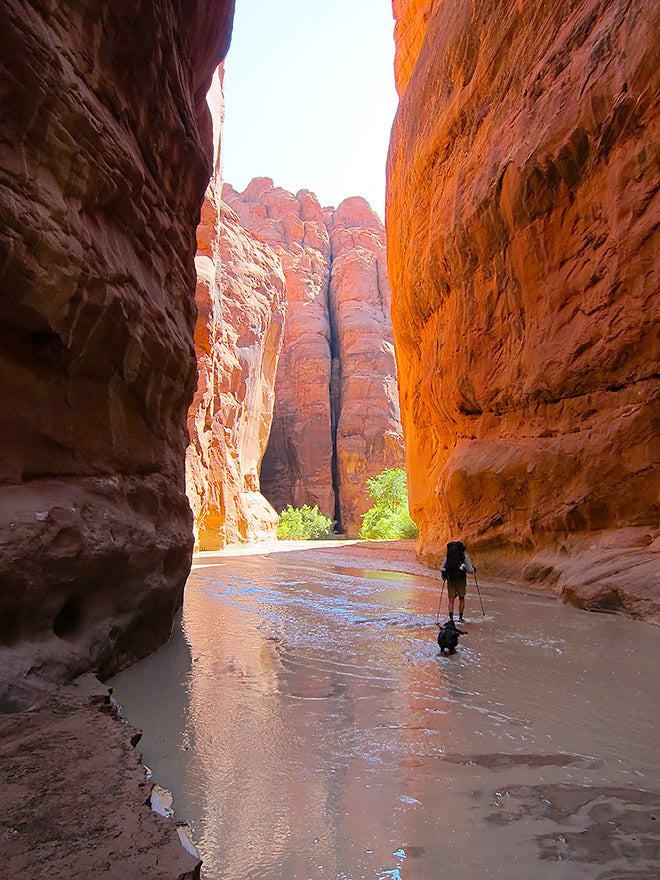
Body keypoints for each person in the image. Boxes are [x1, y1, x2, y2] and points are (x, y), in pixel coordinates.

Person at [441, 540, 475, 622]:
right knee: (461, 598)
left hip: (451, 579)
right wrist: (474, 570)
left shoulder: (448, 557)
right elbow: (470, 570)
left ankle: (451, 618)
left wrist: (444, 576)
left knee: (451, 599)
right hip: (461, 580)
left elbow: (442, 568)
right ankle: (460, 617)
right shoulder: (464, 557)